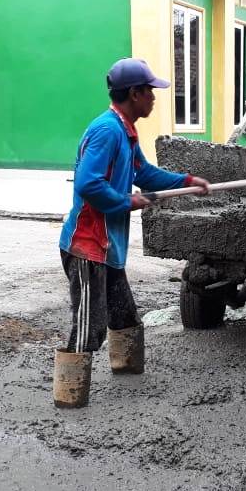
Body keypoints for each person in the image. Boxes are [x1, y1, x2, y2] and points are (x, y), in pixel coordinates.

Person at [57, 58, 210, 384]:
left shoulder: (126, 131)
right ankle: (69, 398)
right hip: (87, 246)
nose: (154, 98)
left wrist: (186, 182)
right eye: (150, 92)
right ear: (134, 94)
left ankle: (128, 379)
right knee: (90, 326)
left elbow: (144, 173)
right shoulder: (107, 131)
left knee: (124, 316)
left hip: (107, 247)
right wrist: (127, 201)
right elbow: (88, 184)